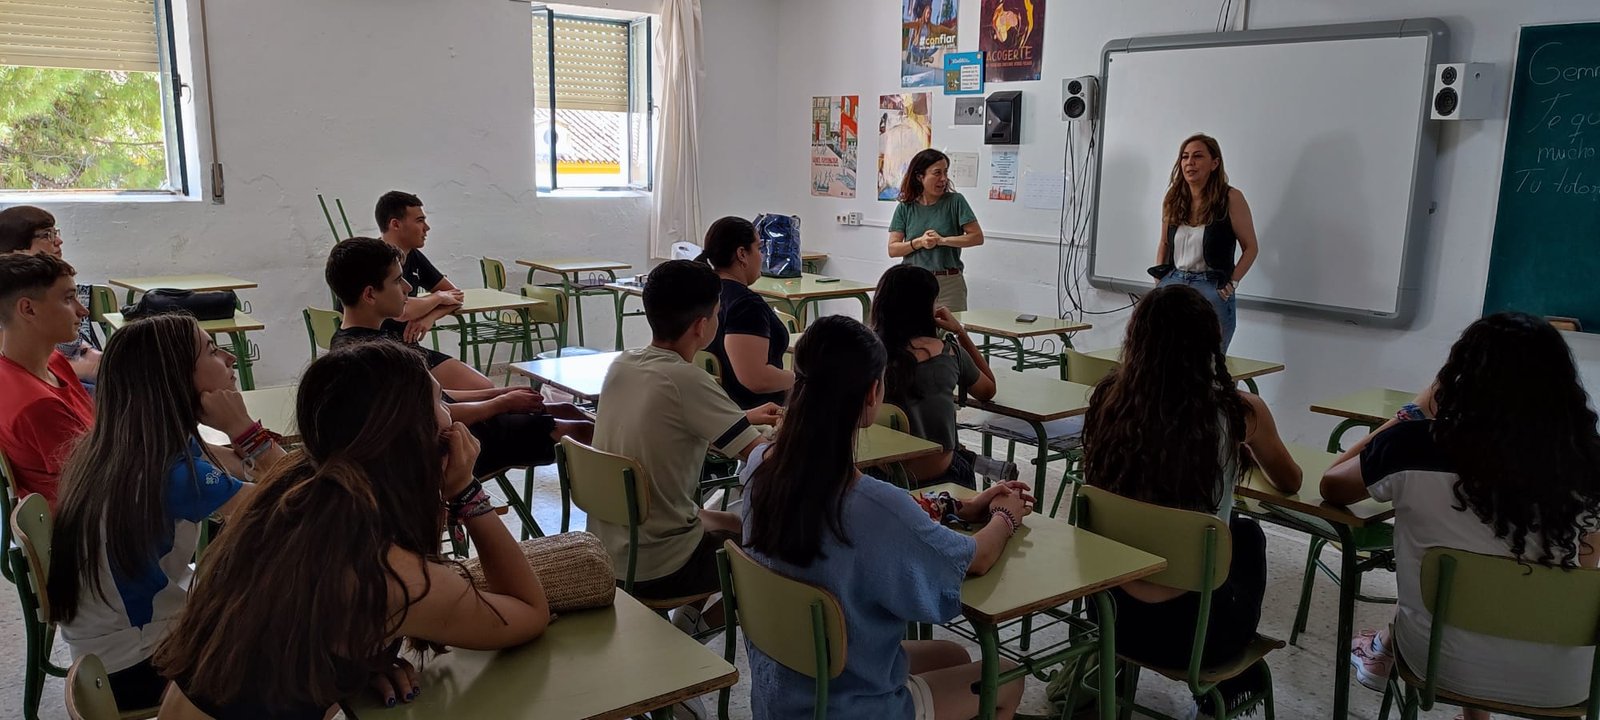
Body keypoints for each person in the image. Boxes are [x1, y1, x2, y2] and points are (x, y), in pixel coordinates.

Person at [155, 340, 552, 718]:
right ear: (416, 435)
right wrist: (466, 493)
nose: (449, 416)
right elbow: (529, 612)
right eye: (440, 403)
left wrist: (359, 659)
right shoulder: (391, 575)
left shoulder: (293, 488)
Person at [741, 314, 1029, 719]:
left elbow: (888, 519)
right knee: (1009, 675)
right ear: (874, 393)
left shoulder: (758, 465)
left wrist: (953, 505)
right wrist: (1004, 516)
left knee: (951, 651)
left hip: (785, 689)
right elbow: (974, 559)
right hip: (854, 705)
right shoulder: (871, 504)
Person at [1322, 312, 1600, 718]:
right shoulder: (1588, 462)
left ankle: (1380, 648)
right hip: (1566, 677)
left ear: (1457, 378)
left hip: (1440, 662)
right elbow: (1586, 570)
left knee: (1443, 591)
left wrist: (1412, 412)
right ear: (1560, 386)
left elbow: (1331, 484)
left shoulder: (1411, 446)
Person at [1081, 284, 1300, 718]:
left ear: (1135, 337)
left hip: (1109, 618)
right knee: (1246, 533)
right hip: (1199, 639)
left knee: (1221, 534)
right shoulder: (1239, 413)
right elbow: (1290, 481)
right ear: (1213, 340)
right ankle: (1224, 688)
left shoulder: (1108, 400)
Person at [48, 313, 285, 710]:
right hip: (141, 665)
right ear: (177, 378)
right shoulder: (170, 473)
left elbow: (226, 468)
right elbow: (303, 508)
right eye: (211, 350)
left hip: (109, 657)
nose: (229, 359)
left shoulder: (121, 444)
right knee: (319, 640)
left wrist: (242, 451)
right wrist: (244, 429)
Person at [592, 260, 780, 613]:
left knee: (734, 521)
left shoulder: (623, 364)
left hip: (613, 548)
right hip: (661, 565)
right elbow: (763, 459)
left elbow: (673, 427)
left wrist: (742, 419)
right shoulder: (687, 380)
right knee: (778, 546)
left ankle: (687, 627)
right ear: (701, 326)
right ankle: (695, 627)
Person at [325, 236, 591, 477]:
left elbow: (439, 396)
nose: (407, 287)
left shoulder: (350, 339)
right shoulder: (380, 358)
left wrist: (498, 394)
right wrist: (501, 404)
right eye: (397, 280)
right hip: (459, 444)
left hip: (463, 425)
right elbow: (436, 415)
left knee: (569, 409)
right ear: (370, 294)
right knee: (581, 430)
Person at [871, 264, 1007, 489]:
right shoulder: (949, 352)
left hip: (885, 479)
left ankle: (972, 458)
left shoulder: (868, 354)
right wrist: (960, 332)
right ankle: (974, 460)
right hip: (945, 477)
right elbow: (988, 389)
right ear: (927, 309)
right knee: (958, 453)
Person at [1148, 133, 1260, 353]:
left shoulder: (1231, 198)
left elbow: (1251, 248)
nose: (1190, 163)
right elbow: (1164, 243)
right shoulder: (1173, 197)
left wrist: (1232, 283)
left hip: (1211, 285)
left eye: (1198, 156)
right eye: (1185, 157)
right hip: (1174, 281)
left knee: (1209, 358)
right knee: (1164, 354)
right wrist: (1158, 282)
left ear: (1214, 163)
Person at [0, 253, 94, 507]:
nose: (82, 310)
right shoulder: (37, 405)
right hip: (88, 519)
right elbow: (99, 477)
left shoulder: (52, 360)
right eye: (68, 299)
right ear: (28, 309)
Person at [373, 190, 487, 390]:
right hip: (379, 356)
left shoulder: (414, 256)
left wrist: (429, 317)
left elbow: (456, 295)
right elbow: (402, 311)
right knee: (440, 400)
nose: (427, 227)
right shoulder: (373, 257)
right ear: (395, 224)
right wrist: (439, 297)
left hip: (409, 349)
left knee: (483, 387)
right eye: (419, 221)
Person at [699, 216, 793, 409]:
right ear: (742, 254)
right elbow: (756, 379)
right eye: (759, 248)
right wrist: (802, 379)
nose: (762, 256)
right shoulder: (746, 305)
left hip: (716, 408)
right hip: (755, 415)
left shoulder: (706, 292)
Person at [0, 205, 101, 383]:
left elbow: (77, 345)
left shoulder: (55, 281)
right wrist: (92, 368)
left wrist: (93, 355)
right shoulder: (9, 294)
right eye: (47, 235)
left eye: (56, 232)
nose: (59, 241)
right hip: (46, 379)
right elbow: (19, 366)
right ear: (17, 249)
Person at [887, 148, 984, 312]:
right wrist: (919, 242)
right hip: (914, 282)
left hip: (949, 283)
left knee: (949, 335)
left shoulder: (955, 201)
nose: (943, 179)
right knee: (914, 334)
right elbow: (893, 249)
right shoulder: (905, 207)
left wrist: (942, 240)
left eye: (945, 172)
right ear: (920, 176)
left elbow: (976, 237)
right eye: (937, 173)